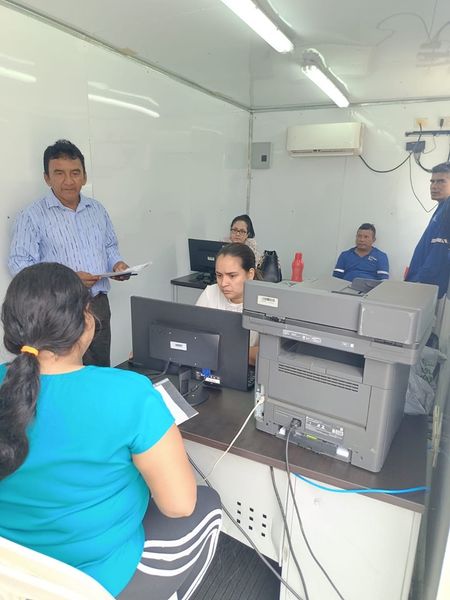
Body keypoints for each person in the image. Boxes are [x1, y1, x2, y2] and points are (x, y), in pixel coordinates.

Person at [0, 263, 222, 599]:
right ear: (86, 321)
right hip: (92, 583)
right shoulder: (129, 392)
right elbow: (179, 505)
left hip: (12, 575)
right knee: (208, 503)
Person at [8, 139, 129, 367]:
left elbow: (110, 246)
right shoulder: (32, 216)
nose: (68, 181)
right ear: (47, 178)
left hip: (98, 305)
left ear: (84, 176)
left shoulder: (97, 210)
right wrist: (69, 280)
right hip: (57, 308)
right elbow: (19, 264)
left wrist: (117, 265)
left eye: (75, 173)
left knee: (98, 370)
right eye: (59, 173)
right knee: (61, 371)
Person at [196, 243, 259, 365]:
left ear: (250, 274)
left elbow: (266, 355)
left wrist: (220, 349)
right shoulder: (210, 293)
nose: (223, 283)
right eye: (219, 275)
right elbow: (193, 335)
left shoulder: (264, 303)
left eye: (232, 276)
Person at [405, 162, 450, 298]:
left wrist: (421, 280)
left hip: (428, 286)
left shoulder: (447, 208)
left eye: (441, 181)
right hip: (424, 283)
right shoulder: (441, 208)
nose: (434, 186)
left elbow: (440, 251)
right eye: (432, 181)